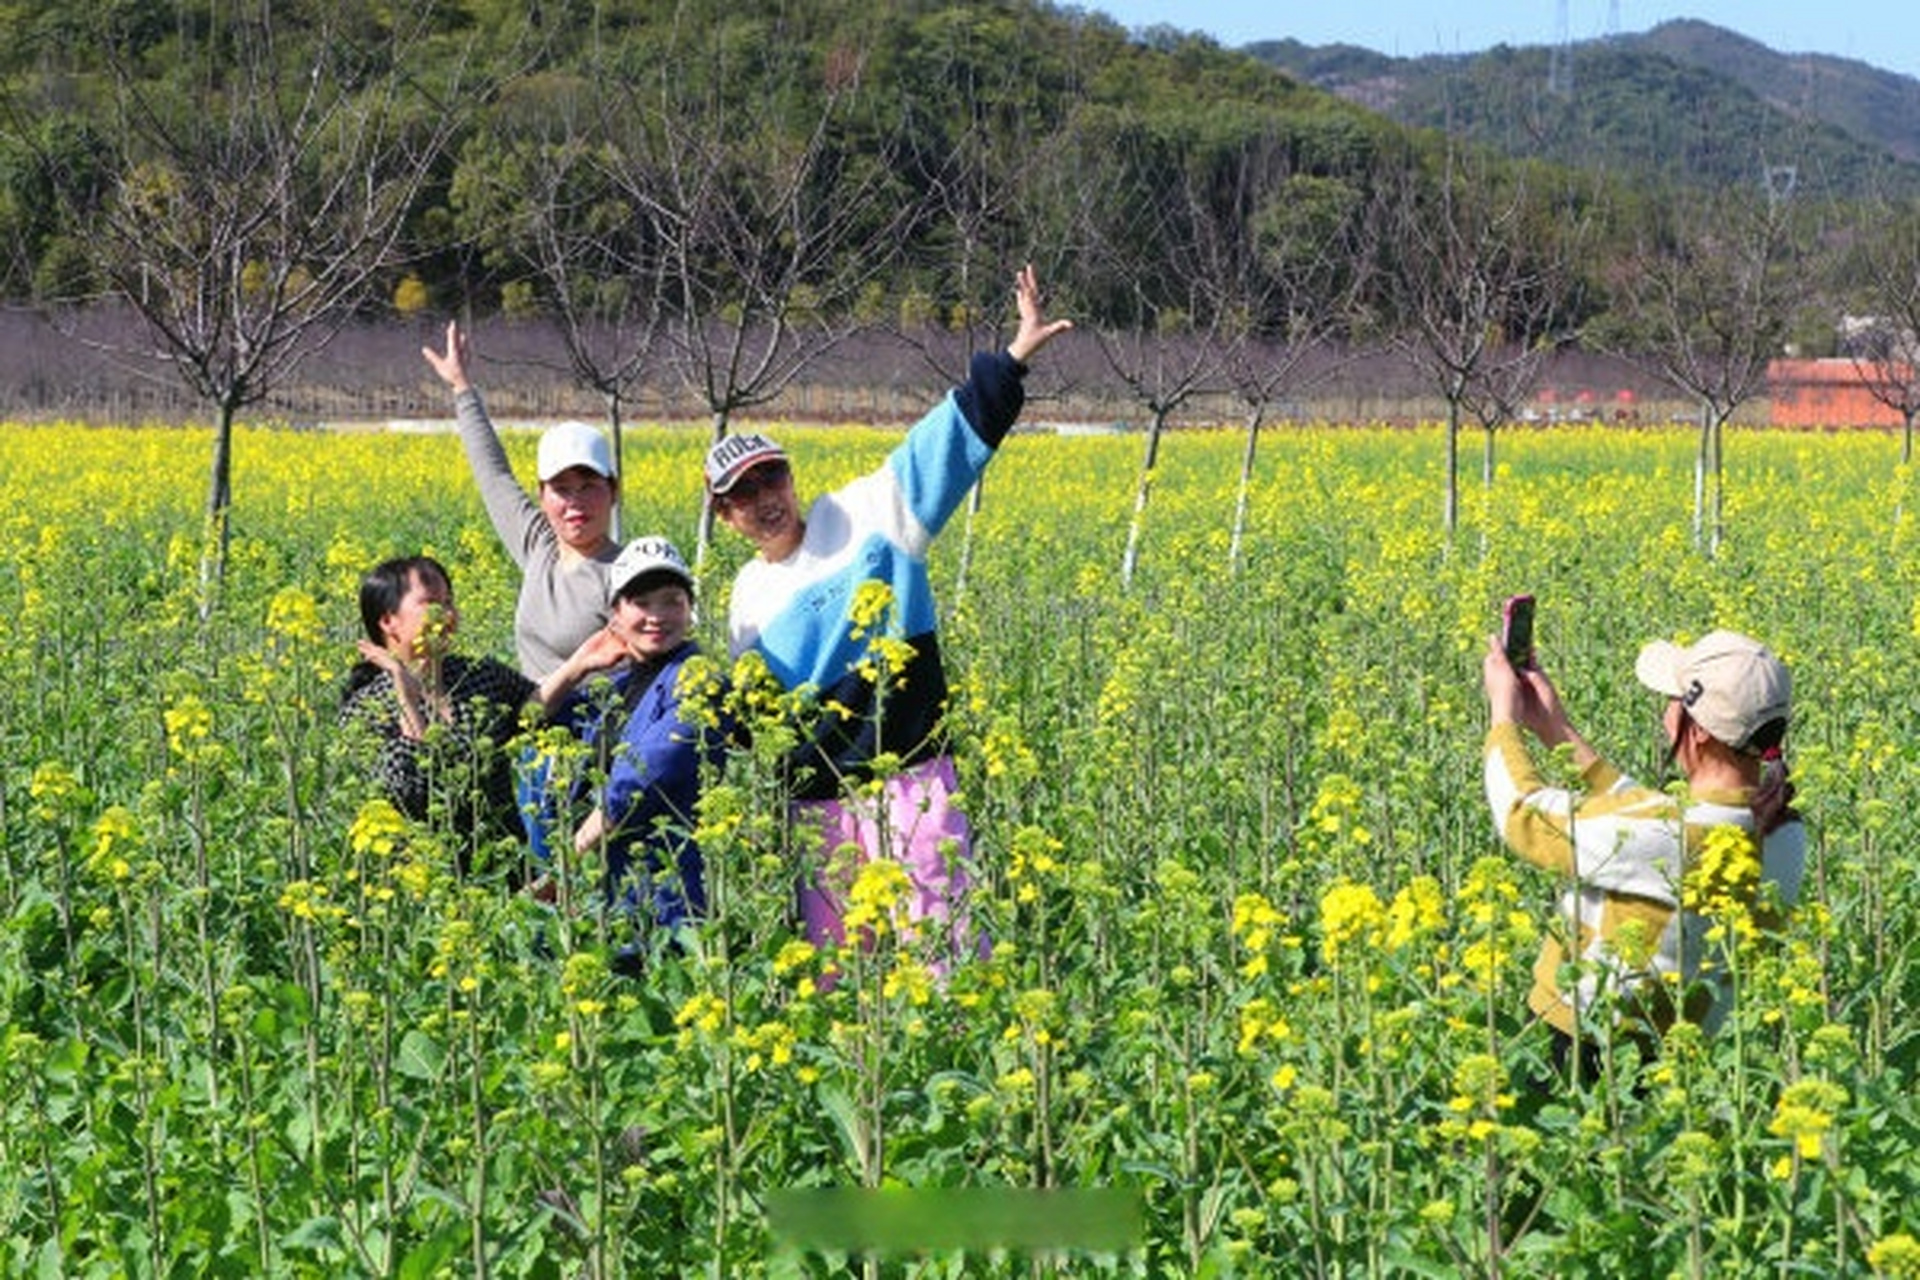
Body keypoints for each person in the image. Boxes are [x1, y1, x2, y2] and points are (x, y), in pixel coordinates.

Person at [706, 263, 1072, 962]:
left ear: (791, 476)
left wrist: (1014, 358)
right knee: (841, 966)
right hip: (818, 805)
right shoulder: (746, 600)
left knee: (944, 946)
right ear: (725, 517)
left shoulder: (869, 514)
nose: (764, 498)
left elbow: (945, 446)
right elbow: (760, 723)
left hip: (913, 774)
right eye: (742, 495)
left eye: (771, 477)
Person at [1481, 625, 1807, 1081]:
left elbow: (1522, 815)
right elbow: (1650, 822)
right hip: (1681, 1059)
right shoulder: (1785, 831)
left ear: (1698, 733)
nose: (1665, 714)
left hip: (1587, 1052)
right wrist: (1557, 729)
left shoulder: (1672, 838)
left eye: (1674, 703)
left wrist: (1504, 718)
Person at [423, 323, 624, 860]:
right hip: (536, 743)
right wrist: (463, 388)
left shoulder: (627, 572)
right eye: (561, 489)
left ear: (613, 490)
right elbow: (492, 475)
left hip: (599, 754)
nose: (575, 502)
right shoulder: (538, 544)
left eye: (589, 486)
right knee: (545, 885)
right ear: (543, 496)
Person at [341, 556, 624, 877]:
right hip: (421, 880)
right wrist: (405, 694)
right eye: (431, 603)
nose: (446, 614)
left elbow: (528, 712)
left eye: (449, 602)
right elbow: (410, 787)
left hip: (505, 870)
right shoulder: (365, 705)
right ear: (388, 621)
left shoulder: (477, 674)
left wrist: (580, 663)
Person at [566, 536, 731, 940]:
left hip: (667, 890)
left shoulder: (700, 680)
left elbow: (654, 765)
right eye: (641, 602)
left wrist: (576, 849)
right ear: (615, 614)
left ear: (690, 609)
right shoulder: (611, 689)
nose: (657, 616)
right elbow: (532, 720)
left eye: (673, 600)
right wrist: (578, 665)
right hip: (605, 892)